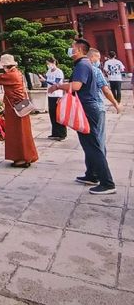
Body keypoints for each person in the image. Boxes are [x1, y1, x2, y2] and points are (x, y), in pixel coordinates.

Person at [48, 38, 115, 195]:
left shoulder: (83, 64)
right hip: (87, 106)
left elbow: (77, 86)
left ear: (78, 50)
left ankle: (107, 182)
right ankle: (92, 175)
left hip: (89, 108)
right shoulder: (83, 65)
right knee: (88, 144)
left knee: (93, 145)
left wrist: (57, 86)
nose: (70, 50)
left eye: (72, 48)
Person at [0, 54, 38, 168]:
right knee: (21, 133)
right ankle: (24, 156)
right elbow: (0, 76)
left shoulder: (11, 75)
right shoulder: (15, 73)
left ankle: (22, 158)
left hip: (15, 109)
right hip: (19, 107)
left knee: (18, 133)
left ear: (5, 65)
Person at [88, 48, 122, 152]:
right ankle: (101, 162)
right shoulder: (96, 70)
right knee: (99, 136)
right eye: (97, 58)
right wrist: (115, 103)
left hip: (86, 107)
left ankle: (94, 164)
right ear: (92, 57)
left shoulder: (80, 69)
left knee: (90, 138)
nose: (99, 60)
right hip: (97, 105)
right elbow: (106, 90)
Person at [39, 58, 66, 141]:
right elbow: (47, 81)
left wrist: (45, 80)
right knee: (52, 114)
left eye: (49, 63)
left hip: (57, 95)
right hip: (50, 95)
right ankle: (55, 133)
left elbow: (56, 83)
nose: (48, 65)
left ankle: (62, 134)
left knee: (58, 114)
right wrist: (42, 79)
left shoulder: (59, 72)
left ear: (54, 62)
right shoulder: (49, 72)